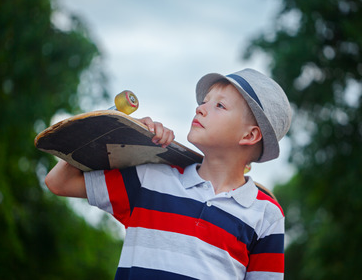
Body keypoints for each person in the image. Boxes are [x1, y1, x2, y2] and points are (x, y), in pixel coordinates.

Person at [45, 68, 292, 280]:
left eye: (219, 105)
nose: (200, 109)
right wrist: (109, 129)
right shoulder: (151, 178)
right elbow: (58, 182)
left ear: (249, 135)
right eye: (204, 101)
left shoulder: (266, 214)